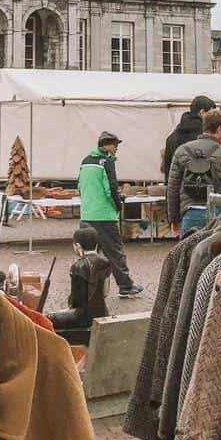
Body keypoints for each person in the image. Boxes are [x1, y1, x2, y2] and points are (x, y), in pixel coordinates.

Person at [77, 131, 143, 298]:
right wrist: (118, 205)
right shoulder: (106, 162)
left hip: (86, 214)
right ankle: (126, 286)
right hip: (104, 215)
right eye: (115, 145)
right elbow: (111, 189)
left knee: (88, 254)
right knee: (114, 252)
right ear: (107, 145)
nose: (116, 148)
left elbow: (79, 186)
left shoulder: (85, 161)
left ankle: (86, 289)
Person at [168, 108, 221, 235]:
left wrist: (174, 219)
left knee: (188, 247)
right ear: (219, 129)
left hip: (190, 213)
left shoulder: (181, 151)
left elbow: (173, 189)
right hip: (218, 216)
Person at [48, 226, 112, 343]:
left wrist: (65, 311)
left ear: (78, 246)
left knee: (46, 319)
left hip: (83, 316)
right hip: (101, 312)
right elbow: (105, 292)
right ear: (96, 244)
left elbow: (76, 302)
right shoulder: (105, 262)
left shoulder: (78, 266)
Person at [162, 95, 217, 183]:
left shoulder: (172, 136)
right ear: (202, 112)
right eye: (211, 113)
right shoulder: (202, 135)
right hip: (196, 187)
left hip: (175, 186)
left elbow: (168, 169)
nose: (213, 118)